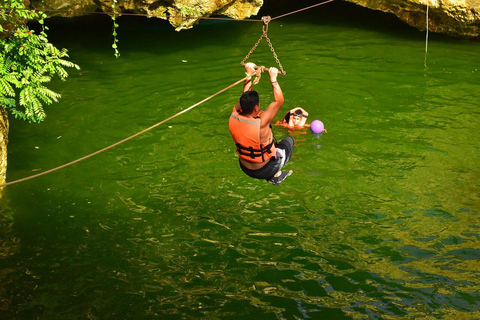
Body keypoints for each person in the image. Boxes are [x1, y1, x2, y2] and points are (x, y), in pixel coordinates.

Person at [229, 62, 294, 185]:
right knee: (289, 141)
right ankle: (276, 175)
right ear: (256, 109)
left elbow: (245, 97)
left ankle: (272, 172)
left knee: (264, 143)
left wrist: (249, 74)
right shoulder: (262, 122)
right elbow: (279, 101)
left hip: (245, 167)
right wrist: (273, 79)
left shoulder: (234, 114)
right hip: (266, 169)